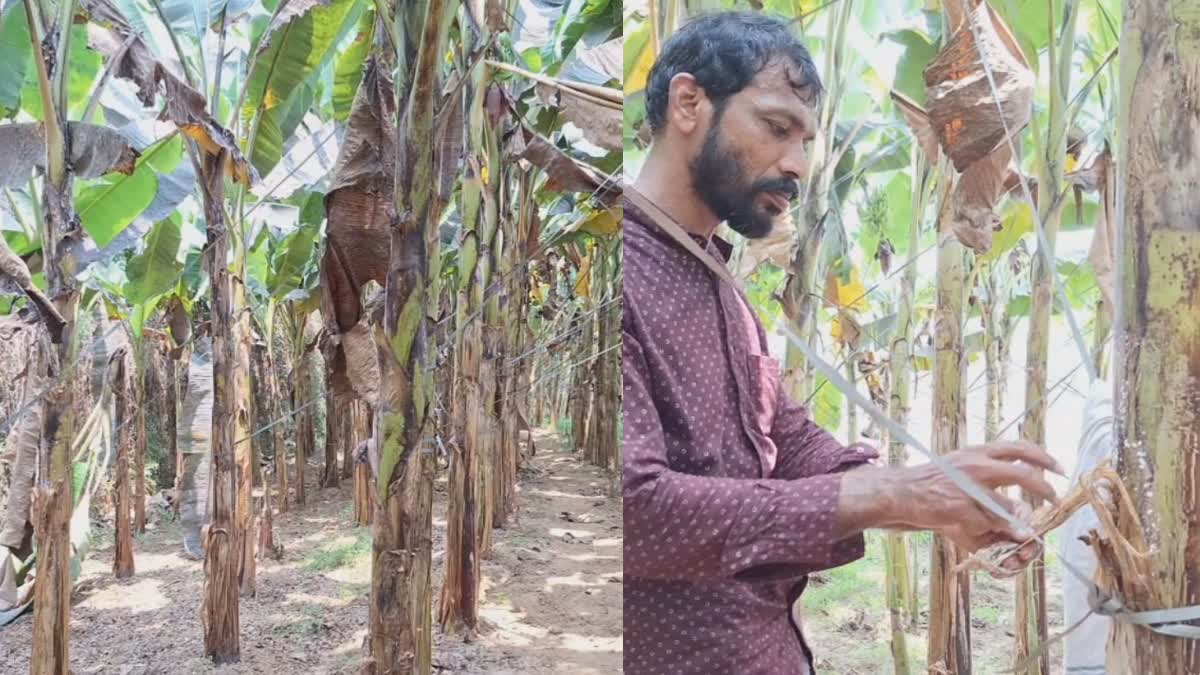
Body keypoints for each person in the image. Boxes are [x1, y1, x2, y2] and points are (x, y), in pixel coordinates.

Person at [623, 12, 1059, 674]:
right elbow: (636, 511)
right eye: (776, 127)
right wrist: (897, 495)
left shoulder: (718, 276)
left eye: (805, 139)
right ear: (689, 103)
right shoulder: (622, 270)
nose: (797, 163)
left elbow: (788, 437)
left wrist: (939, 502)